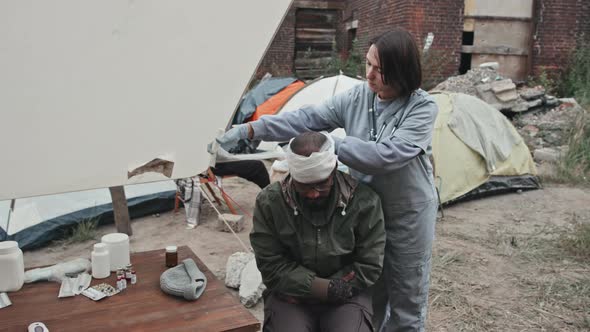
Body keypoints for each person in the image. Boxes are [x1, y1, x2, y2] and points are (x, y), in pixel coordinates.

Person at [218, 28, 438, 331]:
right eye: (369, 64)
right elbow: (306, 118)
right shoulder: (360, 96)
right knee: (371, 296)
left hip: (407, 214)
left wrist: (332, 144)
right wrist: (253, 130)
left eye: (380, 70)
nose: (370, 75)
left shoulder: (422, 108)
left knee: (406, 299)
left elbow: (387, 155)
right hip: (368, 209)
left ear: (402, 72)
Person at [250, 131, 385, 332]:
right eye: (304, 187)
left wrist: (336, 289)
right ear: (293, 176)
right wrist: (320, 288)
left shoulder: (364, 202)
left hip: (348, 293)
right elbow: (270, 263)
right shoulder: (270, 203)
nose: (313, 194)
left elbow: (369, 263)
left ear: (334, 170)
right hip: (290, 295)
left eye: (322, 185)